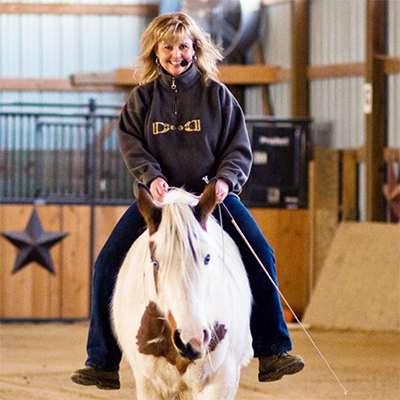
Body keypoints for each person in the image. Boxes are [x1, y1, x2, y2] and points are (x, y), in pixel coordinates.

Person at [71, 12, 304, 390]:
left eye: (183, 46)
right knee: (107, 263)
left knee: (261, 253)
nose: (175, 54)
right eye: (167, 47)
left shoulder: (218, 96)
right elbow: (131, 144)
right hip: (161, 204)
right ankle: (101, 359)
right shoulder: (142, 99)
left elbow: (237, 148)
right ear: (156, 51)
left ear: (195, 50)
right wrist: (152, 177)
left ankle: (273, 349)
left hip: (209, 200)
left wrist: (227, 180)